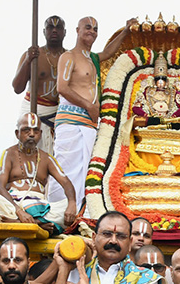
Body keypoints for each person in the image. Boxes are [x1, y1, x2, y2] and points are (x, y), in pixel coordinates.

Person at [48, 16, 132, 204]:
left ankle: (80, 214)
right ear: (77, 30)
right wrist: (89, 106)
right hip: (71, 121)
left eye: (95, 29)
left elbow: (109, 52)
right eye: (87, 27)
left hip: (89, 123)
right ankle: (60, 212)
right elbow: (62, 87)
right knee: (67, 170)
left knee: (87, 172)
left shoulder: (92, 58)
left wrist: (125, 31)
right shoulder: (68, 57)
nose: (92, 31)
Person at [0, 114, 78, 233]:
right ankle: (37, 223)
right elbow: (0, 188)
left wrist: (71, 203)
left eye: (36, 131)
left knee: (70, 208)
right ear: (17, 134)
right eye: (26, 130)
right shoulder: (8, 154)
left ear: (40, 133)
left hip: (40, 206)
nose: (32, 134)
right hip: (12, 206)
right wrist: (19, 211)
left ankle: (24, 223)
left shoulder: (47, 159)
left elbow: (66, 183)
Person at [13, 14, 67, 153]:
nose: (54, 31)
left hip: (58, 114)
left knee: (57, 158)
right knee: (26, 154)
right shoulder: (33, 54)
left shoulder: (69, 57)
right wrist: (28, 60)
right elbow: (17, 88)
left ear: (64, 32)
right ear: (44, 32)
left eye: (58, 27)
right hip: (33, 109)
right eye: (50, 27)